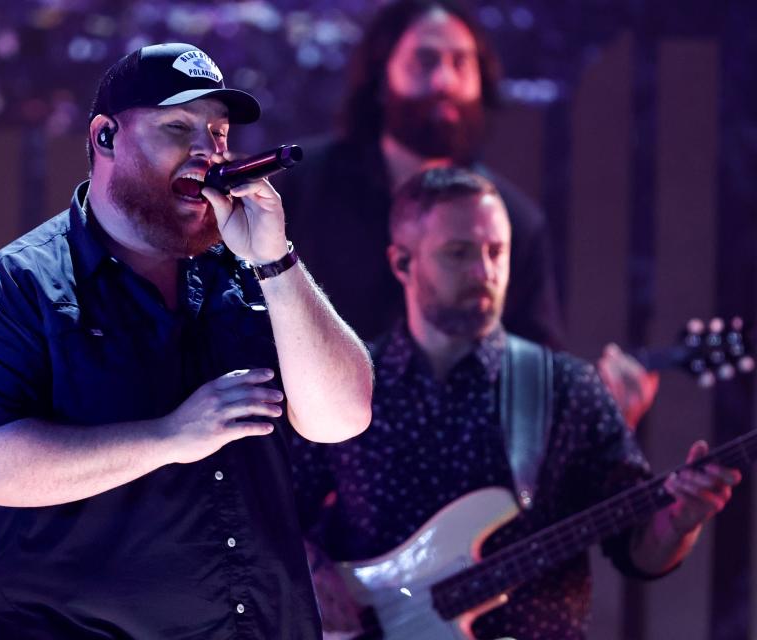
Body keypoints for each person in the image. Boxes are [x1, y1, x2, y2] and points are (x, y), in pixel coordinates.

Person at [0, 42, 373, 639]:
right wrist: (169, 437)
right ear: (106, 137)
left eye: (217, 132)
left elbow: (343, 417)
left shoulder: (250, 270)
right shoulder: (21, 284)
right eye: (177, 127)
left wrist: (276, 261)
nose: (206, 152)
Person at [290, 167, 739, 640]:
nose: (484, 273)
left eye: (495, 252)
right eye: (459, 253)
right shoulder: (349, 384)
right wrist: (313, 576)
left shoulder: (568, 389)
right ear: (403, 263)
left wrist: (679, 522)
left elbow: (638, 551)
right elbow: (273, 511)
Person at [278, 0, 658, 426]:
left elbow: (529, 373)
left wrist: (596, 415)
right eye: (425, 61)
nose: (444, 81)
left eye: (461, 63)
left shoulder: (515, 219)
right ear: (382, 76)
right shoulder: (300, 185)